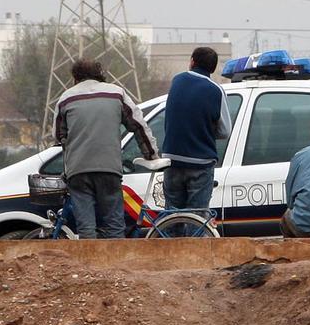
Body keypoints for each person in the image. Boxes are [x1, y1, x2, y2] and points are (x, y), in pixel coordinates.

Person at [54, 59, 158, 239]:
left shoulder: (66, 99)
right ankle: (116, 264)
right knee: (114, 225)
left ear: (75, 77)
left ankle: (90, 265)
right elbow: (138, 126)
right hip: (109, 169)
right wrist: (151, 155)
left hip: (78, 171)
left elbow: (58, 136)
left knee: (86, 229)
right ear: (100, 75)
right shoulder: (117, 94)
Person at [161, 47, 232, 212]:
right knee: (197, 217)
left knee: (172, 215)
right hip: (200, 162)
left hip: (172, 159)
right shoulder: (216, 90)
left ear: (192, 61)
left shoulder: (177, 81)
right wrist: (204, 129)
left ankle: (170, 235)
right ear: (213, 68)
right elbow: (225, 131)